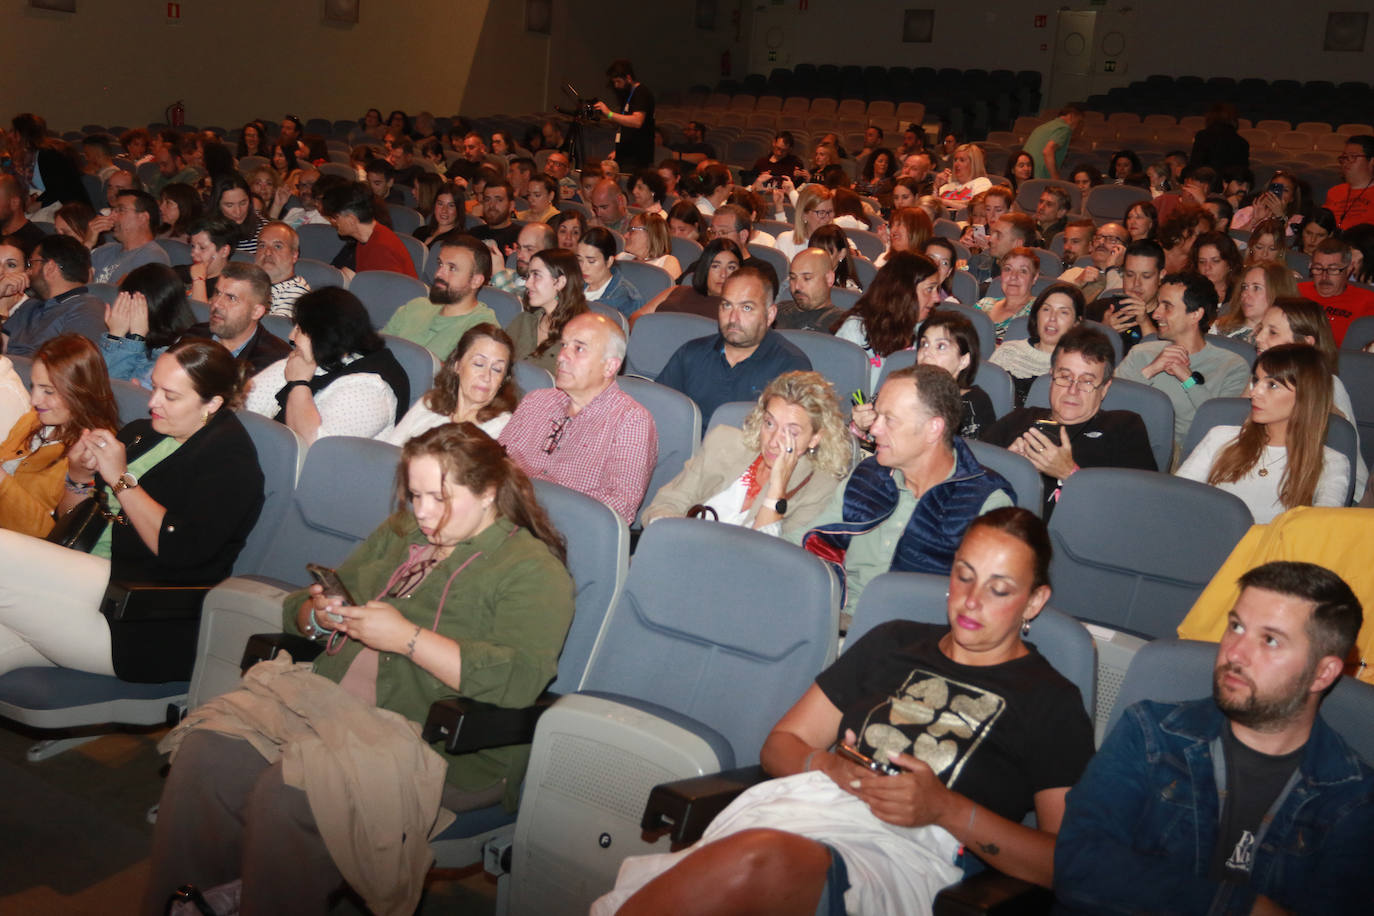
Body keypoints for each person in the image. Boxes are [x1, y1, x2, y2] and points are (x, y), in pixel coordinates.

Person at [142, 423, 575, 915]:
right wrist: (318, 615)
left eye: (441, 497)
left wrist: (406, 639)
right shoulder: (401, 534)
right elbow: (305, 608)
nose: (425, 512)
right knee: (207, 754)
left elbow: (519, 679)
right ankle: (184, 906)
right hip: (328, 707)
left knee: (290, 795)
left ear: (489, 492)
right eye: (415, 495)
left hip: (432, 742)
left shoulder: (531, 569)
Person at [599, 506, 1094, 913]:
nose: (971, 599)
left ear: (1034, 602)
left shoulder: (1050, 699)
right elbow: (782, 746)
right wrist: (832, 767)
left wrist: (945, 807)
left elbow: (1063, 862)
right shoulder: (892, 642)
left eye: (999, 589)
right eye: (964, 576)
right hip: (816, 810)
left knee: (759, 860)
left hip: (915, 854)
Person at [1056, 561, 1374, 915]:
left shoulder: (1354, 798)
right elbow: (1077, 864)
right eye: (1236, 626)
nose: (1234, 652)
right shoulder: (1151, 733)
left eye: (1270, 640)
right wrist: (1241, 908)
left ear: (1322, 672)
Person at [0, 339, 264, 681]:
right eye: (154, 387)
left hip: (136, 616)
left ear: (212, 403)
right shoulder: (145, 433)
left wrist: (121, 480)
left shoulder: (230, 463)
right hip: (83, 583)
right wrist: (79, 479)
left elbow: (180, 550)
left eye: (170, 396)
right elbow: (71, 523)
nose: (153, 402)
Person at [798, 365, 1014, 622]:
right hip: (835, 617)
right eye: (877, 416)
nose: (874, 429)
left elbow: (983, 610)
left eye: (889, 419)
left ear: (933, 429)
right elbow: (806, 546)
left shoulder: (984, 503)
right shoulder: (869, 475)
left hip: (914, 638)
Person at [644, 370, 851, 538]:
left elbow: (769, 561)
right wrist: (678, 539)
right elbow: (665, 504)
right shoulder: (723, 442)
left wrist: (777, 491)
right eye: (769, 423)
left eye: (791, 432)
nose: (773, 441)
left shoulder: (819, 489)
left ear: (815, 438)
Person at [981, 326, 1156, 516]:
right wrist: (1006, 467)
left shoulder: (1124, 427)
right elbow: (968, 482)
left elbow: (1140, 509)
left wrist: (1070, 474)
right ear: (1051, 378)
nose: (1073, 390)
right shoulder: (1019, 419)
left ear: (1104, 388)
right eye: (1065, 377)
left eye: (1087, 381)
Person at [499, 312, 656, 523]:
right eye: (563, 345)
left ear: (610, 366)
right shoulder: (536, 400)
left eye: (578, 348)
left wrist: (535, 507)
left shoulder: (630, 421)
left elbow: (618, 508)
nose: (562, 356)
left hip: (566, 530)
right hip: (505, 515)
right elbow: (496, 461)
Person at [1177, 345, 1350, 522]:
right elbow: (1177, 499)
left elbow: (1320, 532)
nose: (1254, 393)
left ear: (1306, 396)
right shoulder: (1220, 437)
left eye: (1272, 385)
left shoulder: (1331, 463)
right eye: (1256, 381)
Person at [245, 287, 407, 444]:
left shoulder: (371, 390)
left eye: (300, 329)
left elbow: (312, 451)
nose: (291, 336)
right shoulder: (312, 359)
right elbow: (245, 406)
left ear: (325, 336)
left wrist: (298, 384)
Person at [1114, 271, 1251, 457]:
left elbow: (1220, 426)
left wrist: (1187, 379)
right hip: (1127, 446)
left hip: (1189, 459)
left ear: (1195, 314)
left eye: (1167, 307)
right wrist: (1150, 370)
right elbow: (1110, 402)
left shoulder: (1232, 366)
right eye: (1158, 304)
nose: (1156, 314)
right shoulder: (1142, 353)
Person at [0, 334, 121, 537]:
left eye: (48, 391)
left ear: (80, 392)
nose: (35, 400)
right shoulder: (34, 420)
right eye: (34, 387)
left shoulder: (91, 453)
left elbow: (52, 534)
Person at [656, 265, 812, 423]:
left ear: (770, 315)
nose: (733, 318)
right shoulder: (691, 354)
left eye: (746, 308)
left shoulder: (791, 367)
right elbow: (658, 412)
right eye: (727, 305)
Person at [1253, 296, 1368, 499]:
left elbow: (1334, 456)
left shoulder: (1329, 387)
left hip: (1322, 487)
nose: (1259, 338)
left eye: (1272, 332)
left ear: (1306, 343)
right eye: (1260, 329)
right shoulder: (1258, 377)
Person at [383, 324, 516, 446]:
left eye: (497, 369)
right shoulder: (430, 403)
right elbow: (390, 450)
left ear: (503, 381)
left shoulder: (502, 428)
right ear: (457, 366)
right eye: (479, 364)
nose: (487, 376)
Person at [835, 252, 942, 389]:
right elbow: (838, 389)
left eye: (936, 289)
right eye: (929, 289)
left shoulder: (932, 332)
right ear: (904, 291)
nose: (937, 298)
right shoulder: (857, 329)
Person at [381, 234, 496, 360]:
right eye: (440, 264)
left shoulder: (482, 331)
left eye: (452, 268)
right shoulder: (417, 305)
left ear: (476, 281)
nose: (439, 274)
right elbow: (376, 349)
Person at [989, 282, 1084, 407]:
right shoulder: (1008, 351)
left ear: (1076, 323)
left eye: (1063, 312)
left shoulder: (1080, 366)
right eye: (1046, 309)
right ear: (1036, 314)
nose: (1052, 318)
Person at [101, 264, 196, 387]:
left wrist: (134, 338)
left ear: (152, 308)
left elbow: (115, 391)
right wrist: (115, 336)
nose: (123, 311)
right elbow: (96, 385)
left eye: (130, 303)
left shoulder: (177, 353)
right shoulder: (134, 337)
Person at [507, 248, 589, 375]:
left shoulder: (582, 333)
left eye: (536, 275)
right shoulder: (524, 321)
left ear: (560, 282)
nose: (527, 284)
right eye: (528, 276)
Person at [319, 181, 417, 281]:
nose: (333, 222)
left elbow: (389, 293)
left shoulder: (382, 248)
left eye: (335, 217)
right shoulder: (366, 239)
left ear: (352, 220)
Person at [632, 238, 742, 324]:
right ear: (705, 268)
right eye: (715, 266)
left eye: (731, 268)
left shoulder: (739, 311)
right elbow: (637, 317)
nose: (723, 274)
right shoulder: (676, 290)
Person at [1299, 238, 1374, 345]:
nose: (1324, 277)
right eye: (1318, 268)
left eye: (1333, 270)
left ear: (1349, 269)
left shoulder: (1368, 301)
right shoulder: (1296, 290)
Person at [90, 190, 171, 285]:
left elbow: (121, 297)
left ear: (143, 218)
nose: (111, 217)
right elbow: (73, 282)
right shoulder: (106, 250)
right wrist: (88, 243)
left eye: (120, 210)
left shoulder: (153, 257)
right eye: (112, 210)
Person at [594, 58, 655, 171]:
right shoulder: (627, 96)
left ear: (628, 78)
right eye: (614, 82)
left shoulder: (641, 93)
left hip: (637, 158)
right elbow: (627, 128)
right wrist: (619, 150)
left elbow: (637, 121)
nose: (616, 86)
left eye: (618, 82)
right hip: (626, 155)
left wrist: (609, 114)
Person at [1212, 262, 1296, 344]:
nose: (1245, 294)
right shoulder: (1220, 328)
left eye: (1256, 288)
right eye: (1244, 287)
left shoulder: (1287, 339)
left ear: (1277, 292)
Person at [976, 247, 1040, 343]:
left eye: (1023, 271)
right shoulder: (984, 304)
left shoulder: (1039, 312)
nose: (1013, 276)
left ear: (1034, 278)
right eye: (1008, 269)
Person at [774, 248, 847, 333]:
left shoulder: (843, 323)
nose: (797, 286)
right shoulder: (777, 311)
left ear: (829, 279)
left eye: (807, 278)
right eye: (793, 278)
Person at [577, 226, 642, 318]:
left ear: (609, 261)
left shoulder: (625, 297)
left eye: (591, 261)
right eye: (579, 260)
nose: (583, 267)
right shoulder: (573, 284)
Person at [175, 214, 236, 303]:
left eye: (202, 248)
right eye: (193, 246)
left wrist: (198, 279)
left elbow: (202, 315)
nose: (193, 253)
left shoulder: (228, 288)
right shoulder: (179, 273)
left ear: (224, 251)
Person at [1321, 134, 1374, 231]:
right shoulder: (1334, 192)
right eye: (1344, 157)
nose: (1346, 161)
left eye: (1353, 156)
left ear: (1371, 161)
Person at [1023, 105, 1084, 180]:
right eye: (1079, 121)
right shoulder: (1064, 128)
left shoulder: (1042, 127)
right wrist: (1055, 178)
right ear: (1071, 116)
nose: (1077, 126)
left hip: (1026, 174)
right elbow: (1047, 151)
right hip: (1040, 177)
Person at [774, 186, 835, 261]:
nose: (828, 218)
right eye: (821, 213)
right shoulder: (785, 241)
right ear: (804, 215)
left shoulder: (838, 243)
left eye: (830, 211)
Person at [209, 173, 264, 254]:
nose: (238, 211)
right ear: (217, 205)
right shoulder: (205, 232)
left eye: (243, 203)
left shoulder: (264, 229)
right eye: (229, 205)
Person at [617, 211, 682, 279]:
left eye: (632, 230)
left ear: (650, 233)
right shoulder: (622, 257)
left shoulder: (667, 263)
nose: (625, 236)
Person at [1189, 230, 1244, 306]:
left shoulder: (1241, 294)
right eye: (1202, 261)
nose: (1207, 267)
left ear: (1230, 263)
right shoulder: (1189, 293)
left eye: (1215, 261)